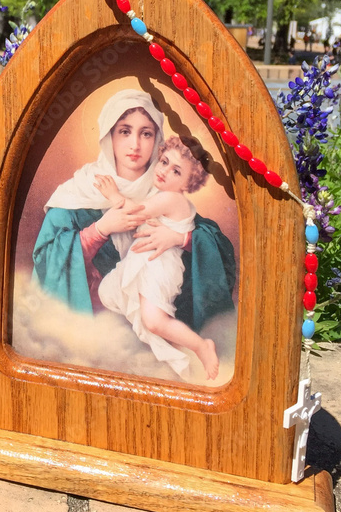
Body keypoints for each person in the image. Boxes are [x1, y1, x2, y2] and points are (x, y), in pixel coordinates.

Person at [31, 90, 236, 340]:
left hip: (154, 339)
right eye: (125, 131)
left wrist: (179, 239)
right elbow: (45, 261)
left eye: (146, 133)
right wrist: (99, 231)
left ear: (157, 140)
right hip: (92, 338)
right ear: (109, 135)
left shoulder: (165, 191)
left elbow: (217, 248)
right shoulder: (79, 192)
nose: (135, 145)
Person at [94, 135, 220, 380]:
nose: (164, 171)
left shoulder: (171, 198)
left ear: (188, 183)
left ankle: (201, 346)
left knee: (153, 321)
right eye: (163, 162)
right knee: (119, 298)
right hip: (148, 263)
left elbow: (135, 214)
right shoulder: (163, 194)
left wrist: (114, 195)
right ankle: (179, 346)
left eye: (176, 171)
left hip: (159, 267)